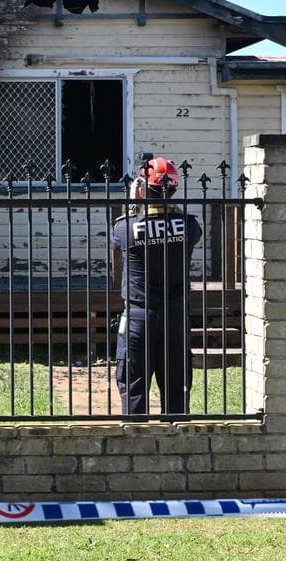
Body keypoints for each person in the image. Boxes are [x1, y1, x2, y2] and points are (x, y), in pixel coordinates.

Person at [109, 156, 203, 416]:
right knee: (176, 382)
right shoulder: (189, 226)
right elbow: (180, 223)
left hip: (138, 315)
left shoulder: (126, 227)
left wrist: (134, 203)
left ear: (143, 188)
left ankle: (135, 432)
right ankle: (176, 432)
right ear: (173, 189)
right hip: (175, 314)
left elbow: (116, 242)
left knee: (133, 381)